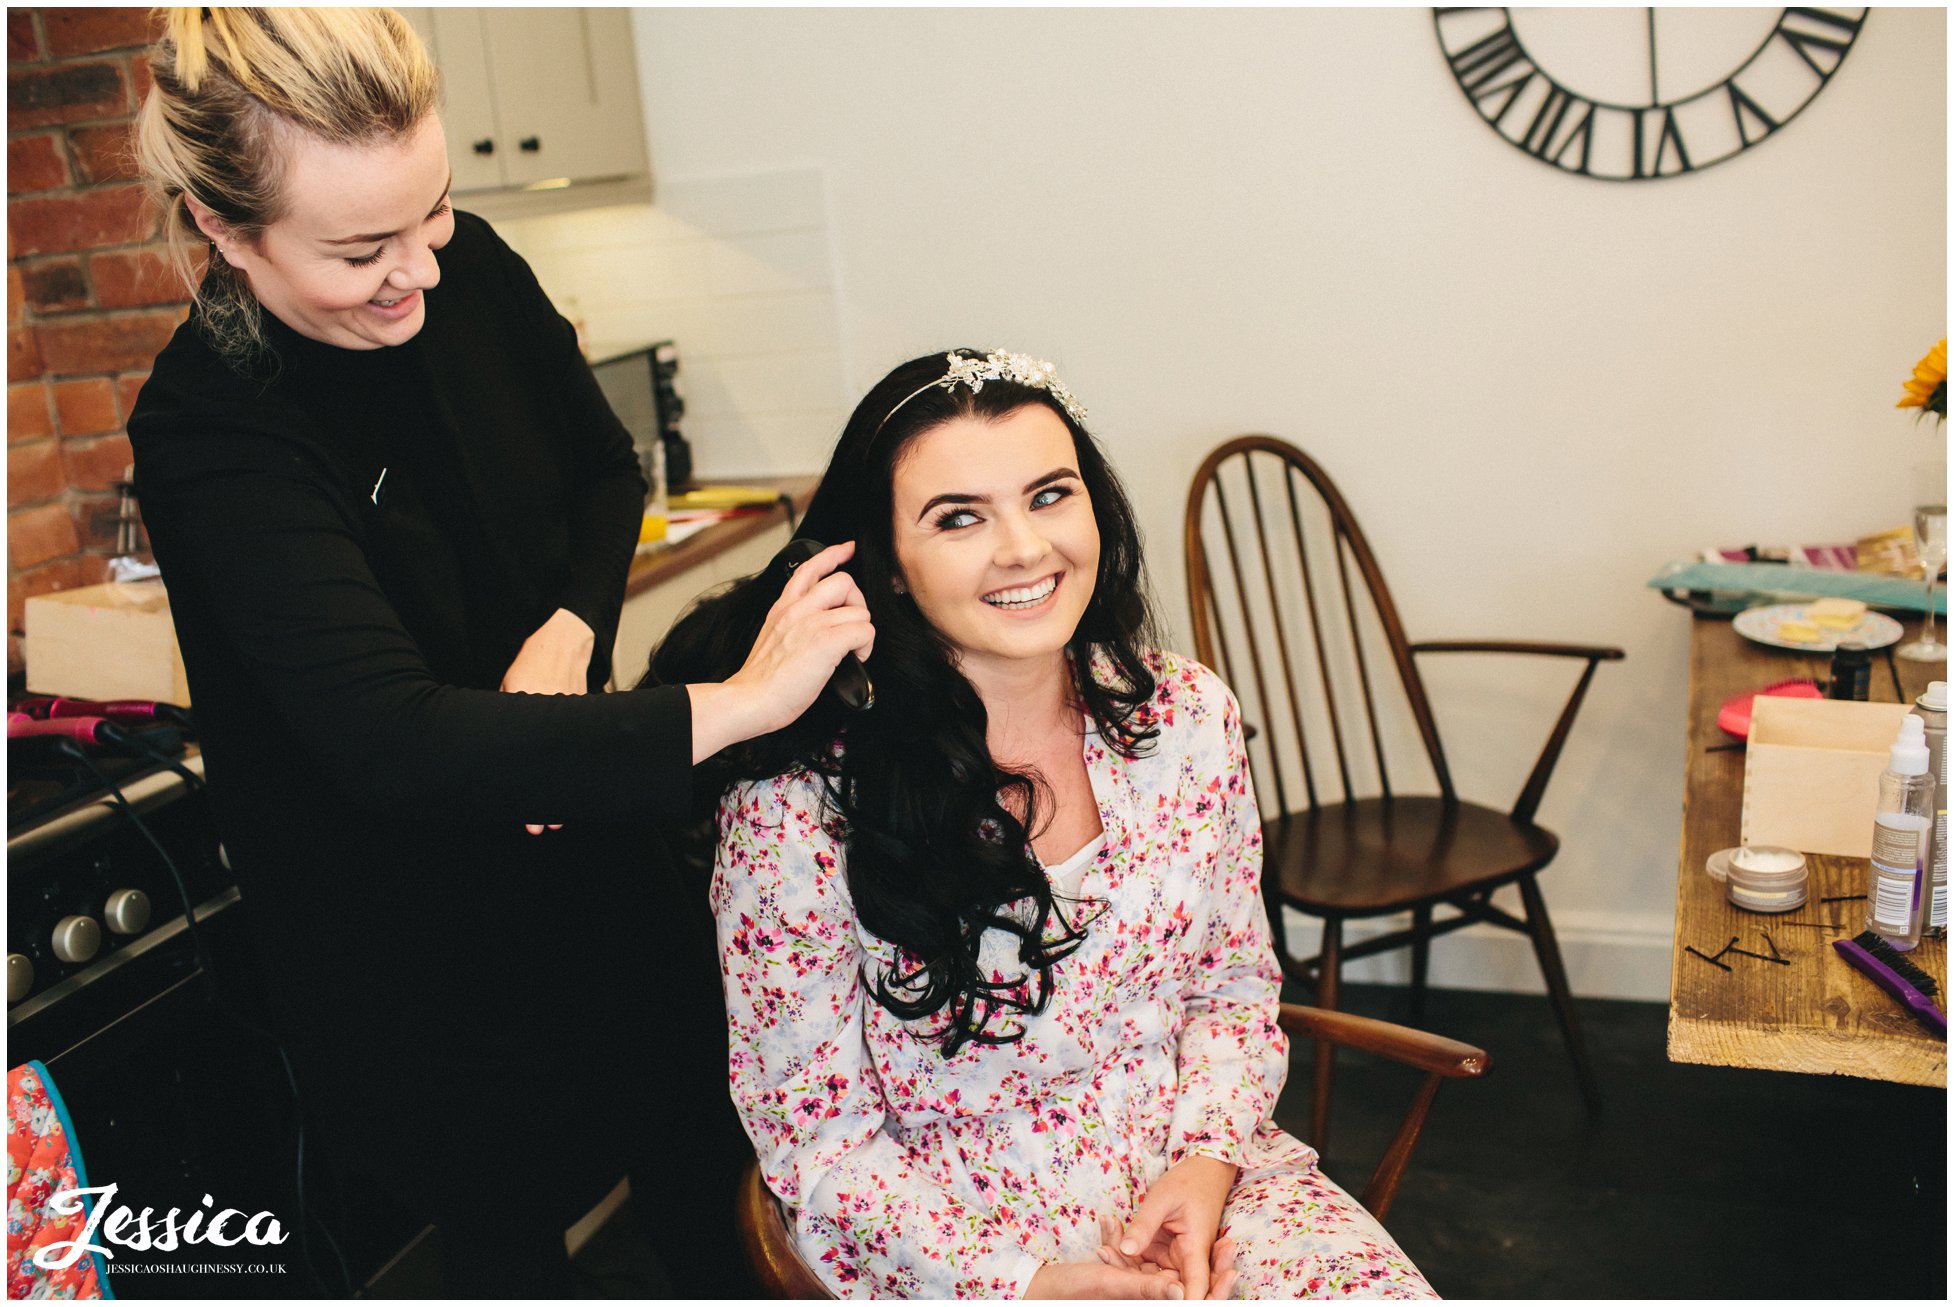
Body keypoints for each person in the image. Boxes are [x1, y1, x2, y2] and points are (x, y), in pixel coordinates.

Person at [125, 9, 871, 1298]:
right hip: (412, 948)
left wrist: (571, 628)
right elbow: (395, 739)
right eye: (362, 249)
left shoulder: (471, 274)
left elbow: (600, 470)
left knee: (704, 1175)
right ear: (223, 228)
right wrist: (740, 700)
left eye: (436, 211)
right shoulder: (210, 429)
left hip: (594, 872)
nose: (418, 271)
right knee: (506, 1250)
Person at [650, 349, 1435, 1299]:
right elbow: (818, 1138)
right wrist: (1025, 1281)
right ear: (886, 568)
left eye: (1050, 494)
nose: (1024, 548)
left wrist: (1208, 1161)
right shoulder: (795, 808)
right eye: (959, 517)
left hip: (1203, 1183)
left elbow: (1230, 987)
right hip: (951, 1246)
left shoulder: (1186, 718)